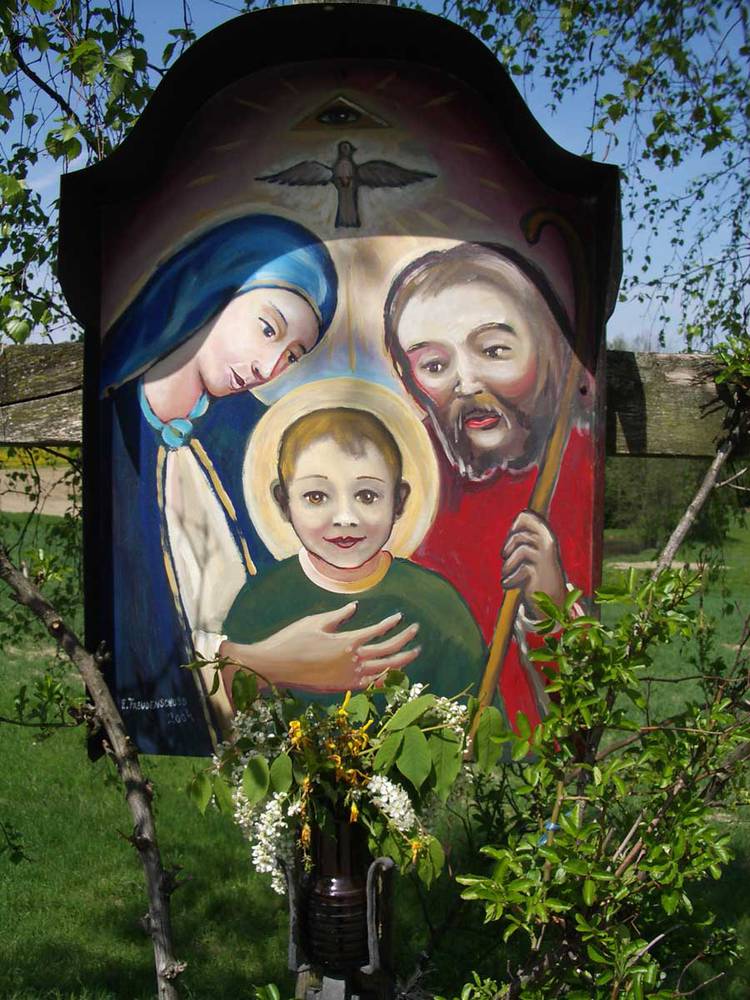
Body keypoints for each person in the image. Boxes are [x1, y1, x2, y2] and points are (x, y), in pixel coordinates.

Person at [102, 215, 416, 755]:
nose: (270, 368)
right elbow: (139, 645)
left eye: (292, 356)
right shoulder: (119, 429)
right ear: (213, 287)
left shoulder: (248, 435)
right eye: (269, 329)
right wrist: (264, 662)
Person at [384, 242, 593, 726]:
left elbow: (580, 706)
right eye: (434, 365)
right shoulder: (410, 477)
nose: (466, 382)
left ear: (544, 346)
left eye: (494, 350)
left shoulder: (573, 464)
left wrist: (549, 605)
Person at [220, 406, 487, 701]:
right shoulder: (259, 603)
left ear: (398, 501)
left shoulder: (437, 603)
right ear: (284, 502)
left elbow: (476, 710)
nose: (345, 518)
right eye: (316, 497)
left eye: (367, 496)